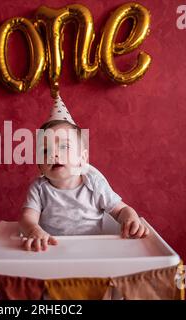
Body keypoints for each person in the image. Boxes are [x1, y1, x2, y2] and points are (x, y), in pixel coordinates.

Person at [19, 95, 149, 252]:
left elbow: (120, 210)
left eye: (64, 147)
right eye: (46, 151)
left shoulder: (93, 183)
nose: (54, 155)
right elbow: (27, 218)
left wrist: (130, 219)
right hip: (53, 250)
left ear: (82, 159)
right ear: (39, 166)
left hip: (94, 249)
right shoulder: (39, 188)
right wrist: (34, 230)